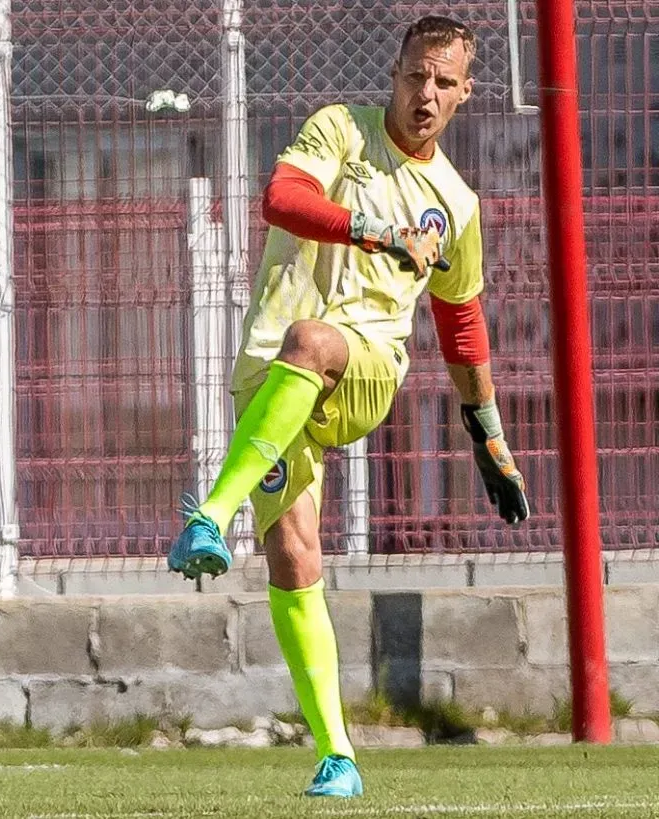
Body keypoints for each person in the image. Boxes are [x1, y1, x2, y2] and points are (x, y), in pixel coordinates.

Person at [166, 15, 530, 798]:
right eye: (413, 76)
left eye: (442, 81)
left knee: (315, 337)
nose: (424, 93)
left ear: (465, 93)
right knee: (296, 557)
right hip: (269, 375)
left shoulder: (455, 205)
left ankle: (209, 516)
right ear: (393, 74)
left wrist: (489, 438)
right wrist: (372, 230)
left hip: (363, 365)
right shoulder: (339, 130)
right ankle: (338, 755)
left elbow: (461, 328)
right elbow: (281, 199)